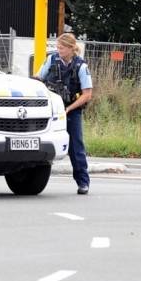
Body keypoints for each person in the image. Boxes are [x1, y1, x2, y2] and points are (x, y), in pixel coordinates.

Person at [37, 33, 94, 195]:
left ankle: (83, 182)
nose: (58, 50)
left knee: (76, 147)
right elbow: (39, 78)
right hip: (51, 110)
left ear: (70, 48)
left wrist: (69, 109)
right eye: (58, 47)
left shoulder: (81, 67)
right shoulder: (51, 60)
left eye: (61, 48)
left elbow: (87, 94)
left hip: (71, 111)